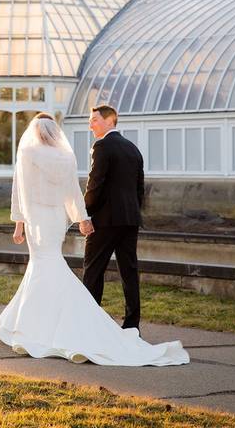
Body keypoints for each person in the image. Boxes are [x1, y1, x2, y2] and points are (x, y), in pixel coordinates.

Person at [0, 112, 188, 366]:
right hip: (59, 218)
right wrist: (82, 218)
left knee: (51, 265)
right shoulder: (67, 155)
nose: (91, 124)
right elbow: (73, 191)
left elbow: (21, 191)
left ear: (36, 131)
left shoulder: (28, 152)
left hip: (38, 218)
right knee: (57, 263)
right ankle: (118, 321)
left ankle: (42, 324)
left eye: (95, 120)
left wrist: (19, 223)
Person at [80, 104, 143, 332]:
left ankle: (89, 323)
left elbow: (95, 184)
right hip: (130, 220)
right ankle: (132, 325)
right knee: (129, 273)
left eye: (94, 119)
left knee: (93, 271)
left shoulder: (101, 146)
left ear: (110, 120)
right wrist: (134, 212)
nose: (90, 124)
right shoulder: (132, 148)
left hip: (105, 221)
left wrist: (85, 214)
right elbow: (139, 189)